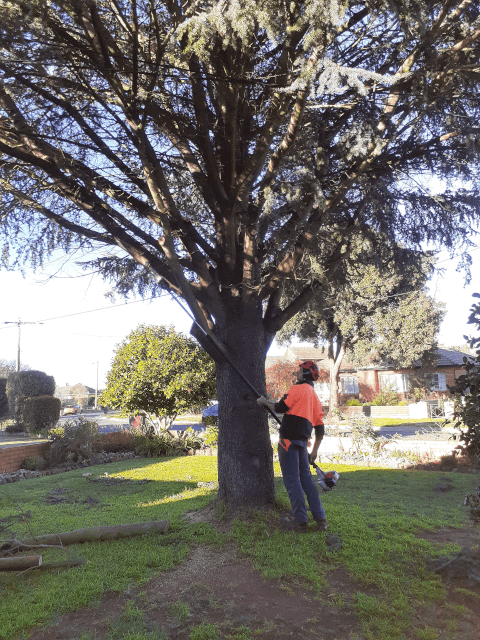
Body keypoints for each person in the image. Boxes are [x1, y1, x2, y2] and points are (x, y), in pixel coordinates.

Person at [257, 360, 327, 533]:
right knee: (307, 481)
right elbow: (320, 429)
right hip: (303, 444)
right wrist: (314, 451)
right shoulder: (315, 398)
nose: (297, 373)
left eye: (299, 371)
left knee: (292, 481)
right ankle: (321, 520)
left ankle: (300, 521)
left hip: (288, 442)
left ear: (305, 374)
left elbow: (280, 407)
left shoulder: (297, 389)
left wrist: (264, 402)